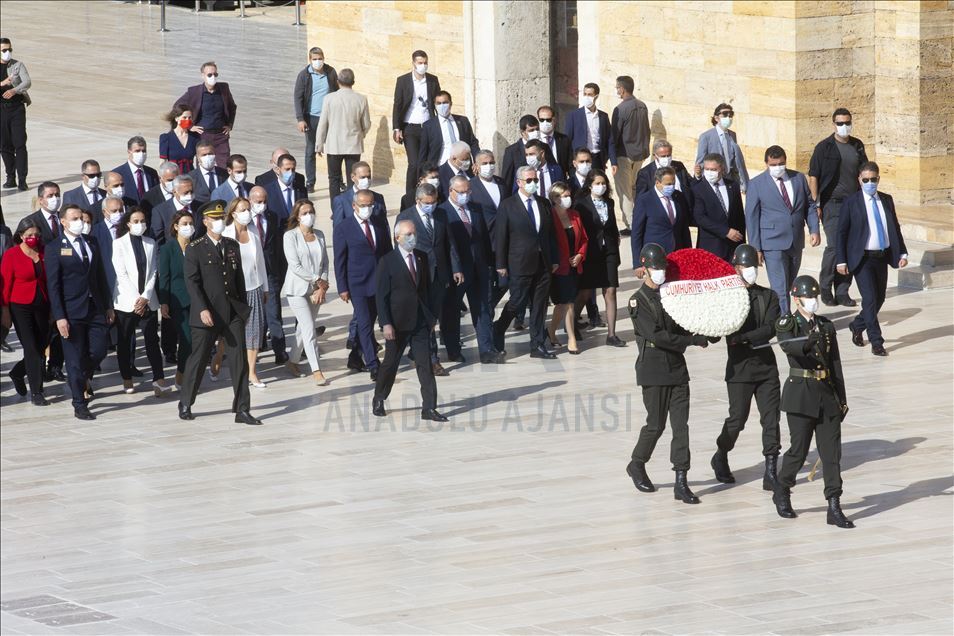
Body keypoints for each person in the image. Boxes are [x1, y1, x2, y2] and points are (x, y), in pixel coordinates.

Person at [626, 243, 711, 504]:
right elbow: (658, 336)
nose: (660, 272)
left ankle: (681, 480)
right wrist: (691, 341)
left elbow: (680, 325)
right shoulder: (637, 301)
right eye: (655, 267)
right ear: (644, 268)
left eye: (662, 267)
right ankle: (637, 463)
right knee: (656, 424)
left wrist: (704, 331)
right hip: (653, 369)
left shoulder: (671, 296)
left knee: (681, 426)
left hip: (676, 367)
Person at [773, 274, 854, 529]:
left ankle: (834, 505)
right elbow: (789, 346)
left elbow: (835, 364)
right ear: (796, 299)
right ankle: (782, 488)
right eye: (808, 297)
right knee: (798, 452)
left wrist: (841, 399)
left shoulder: (825, 326)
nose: (812, 301)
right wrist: (807, 344)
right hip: (801, 395)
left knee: (831, 454)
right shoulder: (787, 323)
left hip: (826, 395)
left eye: (814, 296)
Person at [177, 200, 261, 426]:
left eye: (221, 218)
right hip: (208, 313)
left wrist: (244, 310)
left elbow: (238, 279)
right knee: (199, 358)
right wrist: (202, 308)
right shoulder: (195, 248)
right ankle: (186, 402)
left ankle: (242, 409)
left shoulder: (232, 245)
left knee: (239, 361)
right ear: (205, 221)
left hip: (232, 311)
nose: (219, 222)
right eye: (214, 219)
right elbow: (192, 283)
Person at [711, 244, 781, 490]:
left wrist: (744, 338)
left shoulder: (769, 296)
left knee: (771, 419)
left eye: (753, 266)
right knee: (737, 419)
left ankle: (771, 470)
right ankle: (721, 453)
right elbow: (719, 329)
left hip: (766, 367)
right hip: (740, 369)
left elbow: (771, 327)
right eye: (745, 266)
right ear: (736, 268)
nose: (751, 270)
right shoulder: (727, 298)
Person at [371, 217, 448, 421]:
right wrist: (386, 323)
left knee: (425, 364)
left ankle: (429, 408)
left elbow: (426, 289)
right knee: (390, 364)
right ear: (397, 238)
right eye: (408, 234)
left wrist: (431, 317)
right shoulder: (387, 261)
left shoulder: (421, 257)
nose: (413, 237)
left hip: (420, 321)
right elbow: (381, 297)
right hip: (397, 323)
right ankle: (379, 397)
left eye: (414, 233)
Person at [46, 204, 114, 420]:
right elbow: (53, 285)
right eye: (74, 219)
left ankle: (80, 376)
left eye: (81, 219)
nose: (80, 222)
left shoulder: (91, 242)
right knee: (74, 359)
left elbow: (100, 275)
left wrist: (108, 305)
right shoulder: (55, 247)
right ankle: (79, 403)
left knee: (100, 350)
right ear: (63, 222)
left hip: (95, 308)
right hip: (71, 311)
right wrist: (60, 316)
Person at [836, 161, 908, 357]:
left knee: (879, 298)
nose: (869, 183)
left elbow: (895, 227)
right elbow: (841, 233)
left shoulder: (886, 199)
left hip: (881, 257)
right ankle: (877, 342)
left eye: (873, 179)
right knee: (869, 299)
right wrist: (841, 260)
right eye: (865, 180)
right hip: (862, 259)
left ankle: (857, 325)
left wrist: (902, 252)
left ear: (878, 179)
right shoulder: (851, 202)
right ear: (859, 179)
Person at [492, 166, 559, 359]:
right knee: (517, 302)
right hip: (520, 262)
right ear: (519, 182)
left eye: (535, 180)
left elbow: (551, 234)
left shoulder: (544, 203)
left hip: (543, 263)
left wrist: (554, 259)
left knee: (539, 305)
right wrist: (501, 264)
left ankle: (537, 345)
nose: (533, 183)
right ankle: (499, 328)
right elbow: (501, 236)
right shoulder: (508, 205)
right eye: (529, 180)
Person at [744, 145, 820, 314]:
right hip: (772, 243)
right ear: (766, 163)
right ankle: (784, 320)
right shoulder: (756, 184)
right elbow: (752, 217)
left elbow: (809, 206)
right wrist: (756, 248)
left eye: (781, 163)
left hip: (795, 240)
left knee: (790, 284)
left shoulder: (799, 178)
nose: (777, 167)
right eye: (773, 164)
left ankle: (787, 316)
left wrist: (814, 229)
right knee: (780, 287)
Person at [396, 182, 462, 375]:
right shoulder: (406, 217)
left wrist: (456, 268)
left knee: (433, 316)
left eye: (434, 202)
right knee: (425, 318)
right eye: (427, 203)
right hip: (418, 274)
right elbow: (399, 248)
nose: (431, 206)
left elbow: (449, 243)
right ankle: (432, 359)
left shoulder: (441, 214)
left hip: (439, 274)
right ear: (418, 200)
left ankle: (419, 351)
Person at [810, 108, 868, 307]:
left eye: (847, 123)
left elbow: (864, 172)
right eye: (840, 123)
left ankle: (842, 291)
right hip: (832, 204)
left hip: (853, 203)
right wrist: (816, 203)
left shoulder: (857, 145)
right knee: (835, 246)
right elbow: (814, 176)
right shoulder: (823, 147)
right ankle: (825, 287)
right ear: (833, 124)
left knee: (850, 246)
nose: (844, 126)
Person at [441, 175, 501, 364]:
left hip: (480, 268)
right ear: (451, 191)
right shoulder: (442, 212)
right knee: (452, 311)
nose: (465, 195)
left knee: (483, 308)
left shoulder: (475, 208)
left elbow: (484, 239)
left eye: (468, 191)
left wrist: (491, 264)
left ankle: (487, 350)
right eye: (461, 192)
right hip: (457, 271)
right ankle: (453, 350)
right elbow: (445, 246)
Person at [333, 189, 393, 378]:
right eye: (363, 205)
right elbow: (339, 260)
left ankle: (355, 356)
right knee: (365, 323)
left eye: (370, 205)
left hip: (379, 282)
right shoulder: (344, 228)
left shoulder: (379, 223)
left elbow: (387, 252)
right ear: (354, 206)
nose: (367, 208)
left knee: (369, 321)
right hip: (357, 283)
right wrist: (342, 287)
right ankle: (373, 364)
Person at [112, 208, 170, 397]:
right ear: (128, 223)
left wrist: (145, 296)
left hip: (148, 301)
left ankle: (159, 378)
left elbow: (153, 271)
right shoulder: (119, 244)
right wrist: (136, 298)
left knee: (152, 340)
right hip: (127, 301)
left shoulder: (150, 242)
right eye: (136, 221)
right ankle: (126, 377)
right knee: (125, 340)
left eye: (142, 221)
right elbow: (121, 274)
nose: (140, 224)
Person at [217, 197, 270, 388]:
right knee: (231, 333)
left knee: (255, 331)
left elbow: (260, 262)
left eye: (248, 209)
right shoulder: (225, 234)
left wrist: (265, 287)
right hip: (233, 291)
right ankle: (219, 357)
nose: (247, 213)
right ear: (233, 213)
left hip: (254, 287)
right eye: (242, 210)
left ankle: (251, 372)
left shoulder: (254, 232)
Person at [281, 199, 330, 386]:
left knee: (303, 329)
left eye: (311, 212)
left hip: (316, 290)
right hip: (297, 290)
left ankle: (292, 362)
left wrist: (322, 286)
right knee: (309, 329)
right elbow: (295, 265)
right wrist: (317, 280)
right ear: (297, 216)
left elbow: (325, 262)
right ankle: (316, 370)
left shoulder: (320, 235)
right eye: (304, 213)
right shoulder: (290, 236)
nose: (309, 215)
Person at [1, 217, 50, 404]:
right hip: (20, 306)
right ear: (21, 235)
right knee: (30, 347)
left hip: (42, 304)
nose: (33, 238)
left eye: (36, 234)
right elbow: (5, 285)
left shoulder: (45, 251)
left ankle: (17, 372)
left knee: (41, 345)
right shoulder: (11, 254)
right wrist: (5, 311)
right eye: (29, 235)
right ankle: (37, 392)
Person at [574, 170, 624, 347]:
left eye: (603, 183)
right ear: (590, 185)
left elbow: (612, 226)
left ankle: (612, 334)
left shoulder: (609, 202)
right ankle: (572, 323)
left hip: (609, 251)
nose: (601, 186)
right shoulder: (581, 205)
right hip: (590, 253)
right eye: (597, 183)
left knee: (610, 291)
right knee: (585, 292)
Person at [314, 68, 371, 199]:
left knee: (334, 178)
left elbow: (323, 123)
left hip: (334, 145)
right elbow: (366, 124)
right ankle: (352, 204)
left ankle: (336, 207)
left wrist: (319, 144)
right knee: (353, 178)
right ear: (353, 82)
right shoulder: (361, 99)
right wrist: (360, 134)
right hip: (354, 144)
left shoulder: (329, 98)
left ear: (338, 81)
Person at [392, 50, 441, 195]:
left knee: (426, 162)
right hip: (410, 127)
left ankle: (426, 192)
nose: (423, 65)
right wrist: (396, 128)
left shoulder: (432, 80)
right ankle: (410, 195)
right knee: (414, 163)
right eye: (420, 63)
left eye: (425, 63)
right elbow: (397, 105)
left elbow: (437, 102)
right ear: (413, 63)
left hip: (427, 126)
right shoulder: (403, 81)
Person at [247, 185, 287, 364]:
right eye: (258, 202)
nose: (262, 205)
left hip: (270, 271)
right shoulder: (243, 219)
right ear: (250, 201)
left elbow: (277, 246)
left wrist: (279, 273)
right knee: (253, 314)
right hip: (250, 273)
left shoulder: (272, 217)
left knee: (273, 311)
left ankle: (280, 350)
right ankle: (255, 347)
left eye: (264, 202)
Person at [546, 182, 587, 354]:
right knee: (565, 303)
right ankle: (568, 337)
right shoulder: (549, 216)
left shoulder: (575, 215)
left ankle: (555, 332)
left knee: (565, 303)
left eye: (569, 195)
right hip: (557, 268)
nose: (568, 199)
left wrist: (580, 255)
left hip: (573, 266)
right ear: (555, 198)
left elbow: (583, 238)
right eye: (564, 196)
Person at [294, 46, 339, 193]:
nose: (318, 61)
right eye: (315, 59)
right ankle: (310, 182)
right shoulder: (304, 75)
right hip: (311, 117)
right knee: (311, 149)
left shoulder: (330, 72)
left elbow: (337, 92)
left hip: (329, 117)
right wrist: (300, 119)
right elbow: (298, 97)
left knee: (333, 150)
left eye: (320, 58)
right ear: (310, 60)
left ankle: (337, 180)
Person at [175, 62, 237, 167]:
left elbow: (232, 107)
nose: (213, 77)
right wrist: (189, 126)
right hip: (203, 135)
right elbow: (177, 106)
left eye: (215, 74)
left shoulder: (224, 88)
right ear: (202, 75)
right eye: (209, 75)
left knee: (224, 165)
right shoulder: (194, 91)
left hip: (221, 135)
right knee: (203, 164)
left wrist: (230, 125)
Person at [158, 210, 194, 387]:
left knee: (196, 339)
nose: (188, 227)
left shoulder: (196, 246)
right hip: (178, 301)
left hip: (197, 299)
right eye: (184, 224)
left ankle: (190, 373)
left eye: (190, 224)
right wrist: (164, 302)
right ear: (176, 227)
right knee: (187, 338)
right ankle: (181, 375)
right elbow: (164, 277)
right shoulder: (168, 249)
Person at [610, 75, 650, 232]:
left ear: (622, 89)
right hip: (639, 155)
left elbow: (614, 136)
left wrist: (612, 158)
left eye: (617, 88)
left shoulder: (620, 109)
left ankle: (633, 226)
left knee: (625, 193)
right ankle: (638, 221)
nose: (617, 91)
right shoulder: (642, 106)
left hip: (624, 156)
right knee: (633, 189)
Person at [631, 166, 692, 267]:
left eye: (673, 183)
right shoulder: (644, 200)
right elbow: (636, 233)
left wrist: (689, 253)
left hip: (678, 253)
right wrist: (638, 263)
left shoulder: (679, 197)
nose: (671, 187)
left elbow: (684, 228)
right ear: (657, 182)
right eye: (668, 184)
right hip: (655, 256)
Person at [692, 153, 745, 262]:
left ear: (722, 168)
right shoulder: (698, 189)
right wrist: (726, 231)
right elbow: (700, 217)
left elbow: (739, 216)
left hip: (733, 247)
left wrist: (741, 245)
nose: (709, 172)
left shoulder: (733, 186)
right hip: (711, 247)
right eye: (707, 169)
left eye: (713, 169)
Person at [633, 139, 695, 219]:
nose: (666, 158)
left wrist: (697, 176)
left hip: (682, 212)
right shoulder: (645, 173)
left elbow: (690, 184)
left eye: (668, 155)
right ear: (655, 155)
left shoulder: (679, 166)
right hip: (659, 215)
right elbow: (640, 199)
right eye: (663, 156)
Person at [564, 83, 617, 175]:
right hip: (580, 159)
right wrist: (568, 164)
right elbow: (567, 140)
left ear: (596, 96)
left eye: (590, 95)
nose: (586, 97)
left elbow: (609, 140)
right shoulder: (574, 115)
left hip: (597, 159)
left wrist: (613, 161)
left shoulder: (603, 116)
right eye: (585, 94)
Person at [694, 103, 749, 193]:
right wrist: (699, 176)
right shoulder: (706, 136)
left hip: (729, 180)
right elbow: (700, 162)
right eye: (725, 114)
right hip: (713, 181)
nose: (728, 117)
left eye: (730, 115)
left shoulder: (732, 135)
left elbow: (735, 161)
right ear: (716, 118)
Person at [419, 90, 479, 168]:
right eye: (439, 103)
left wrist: (477, 161)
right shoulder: (429, 126)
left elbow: (473, 143)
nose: (442, 105)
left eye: (445, 102)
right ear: (435, 105)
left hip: (463, 166)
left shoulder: (462, 121)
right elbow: (423, 152)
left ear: (450, 104)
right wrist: (424, 172)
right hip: (440, 168)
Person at [0, 37, 30, 191]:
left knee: (20, 144)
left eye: (10, 49)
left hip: (16, 108)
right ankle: (10, 177)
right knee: (4, 145)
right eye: (4, 50)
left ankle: (22, 179)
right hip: (1, 110)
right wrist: (2, 84)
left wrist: (14, 90)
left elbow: (27, 82)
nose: (8, 52)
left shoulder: (17, 65)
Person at [331, 161, 387, 226]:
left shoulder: (378, 198)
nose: (366, 180)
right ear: (353, 177)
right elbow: (338, 228)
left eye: (368, 177)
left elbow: (384, 225)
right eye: (362, 177)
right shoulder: (342, 200)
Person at [151, 175, 196, 246]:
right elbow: (158, 241)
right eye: (186, 192)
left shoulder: (199, 207)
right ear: (174, 191)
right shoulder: (160, 211)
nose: (190, 195)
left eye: (191, 191)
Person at [263, 153, 308, 224]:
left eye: (293, 169)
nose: (290, 172)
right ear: (278, 170)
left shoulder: (301, 190)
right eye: (287, 169)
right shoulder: (267, 191)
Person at [113, 136, 159, 204]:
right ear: (129, 152)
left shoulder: (152, 173)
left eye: (144, 151)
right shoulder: (117, 174)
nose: (141, 154)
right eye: (137, 151)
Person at [500, 115, 540, 194]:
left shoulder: (544, 147)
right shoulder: (512, 151)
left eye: (537, 129)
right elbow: (507, 179)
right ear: (523, 132)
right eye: (531, 130)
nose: (535, 132)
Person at [159, 104, 201, 174]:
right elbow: (163, 161)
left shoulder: (194, 137)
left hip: (190, 176)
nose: (187, 120)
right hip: (174, 175)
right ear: (176, 118)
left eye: (189, 118)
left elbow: (198, 160)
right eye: (184, 117)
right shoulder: (166, 138)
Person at [536, 105, 573, 177]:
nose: (545, 122)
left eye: (548, 120)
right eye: (542, 120)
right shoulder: (534, 140)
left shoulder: (564, 140)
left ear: (554, 120)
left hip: (559, 180)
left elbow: (570, 165)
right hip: (541, 179)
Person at [188, 141, 228, 206]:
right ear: (198, 157)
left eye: (210, 154)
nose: (208, 157)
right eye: (204, 155)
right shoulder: (191, 177)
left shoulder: (224, 174)